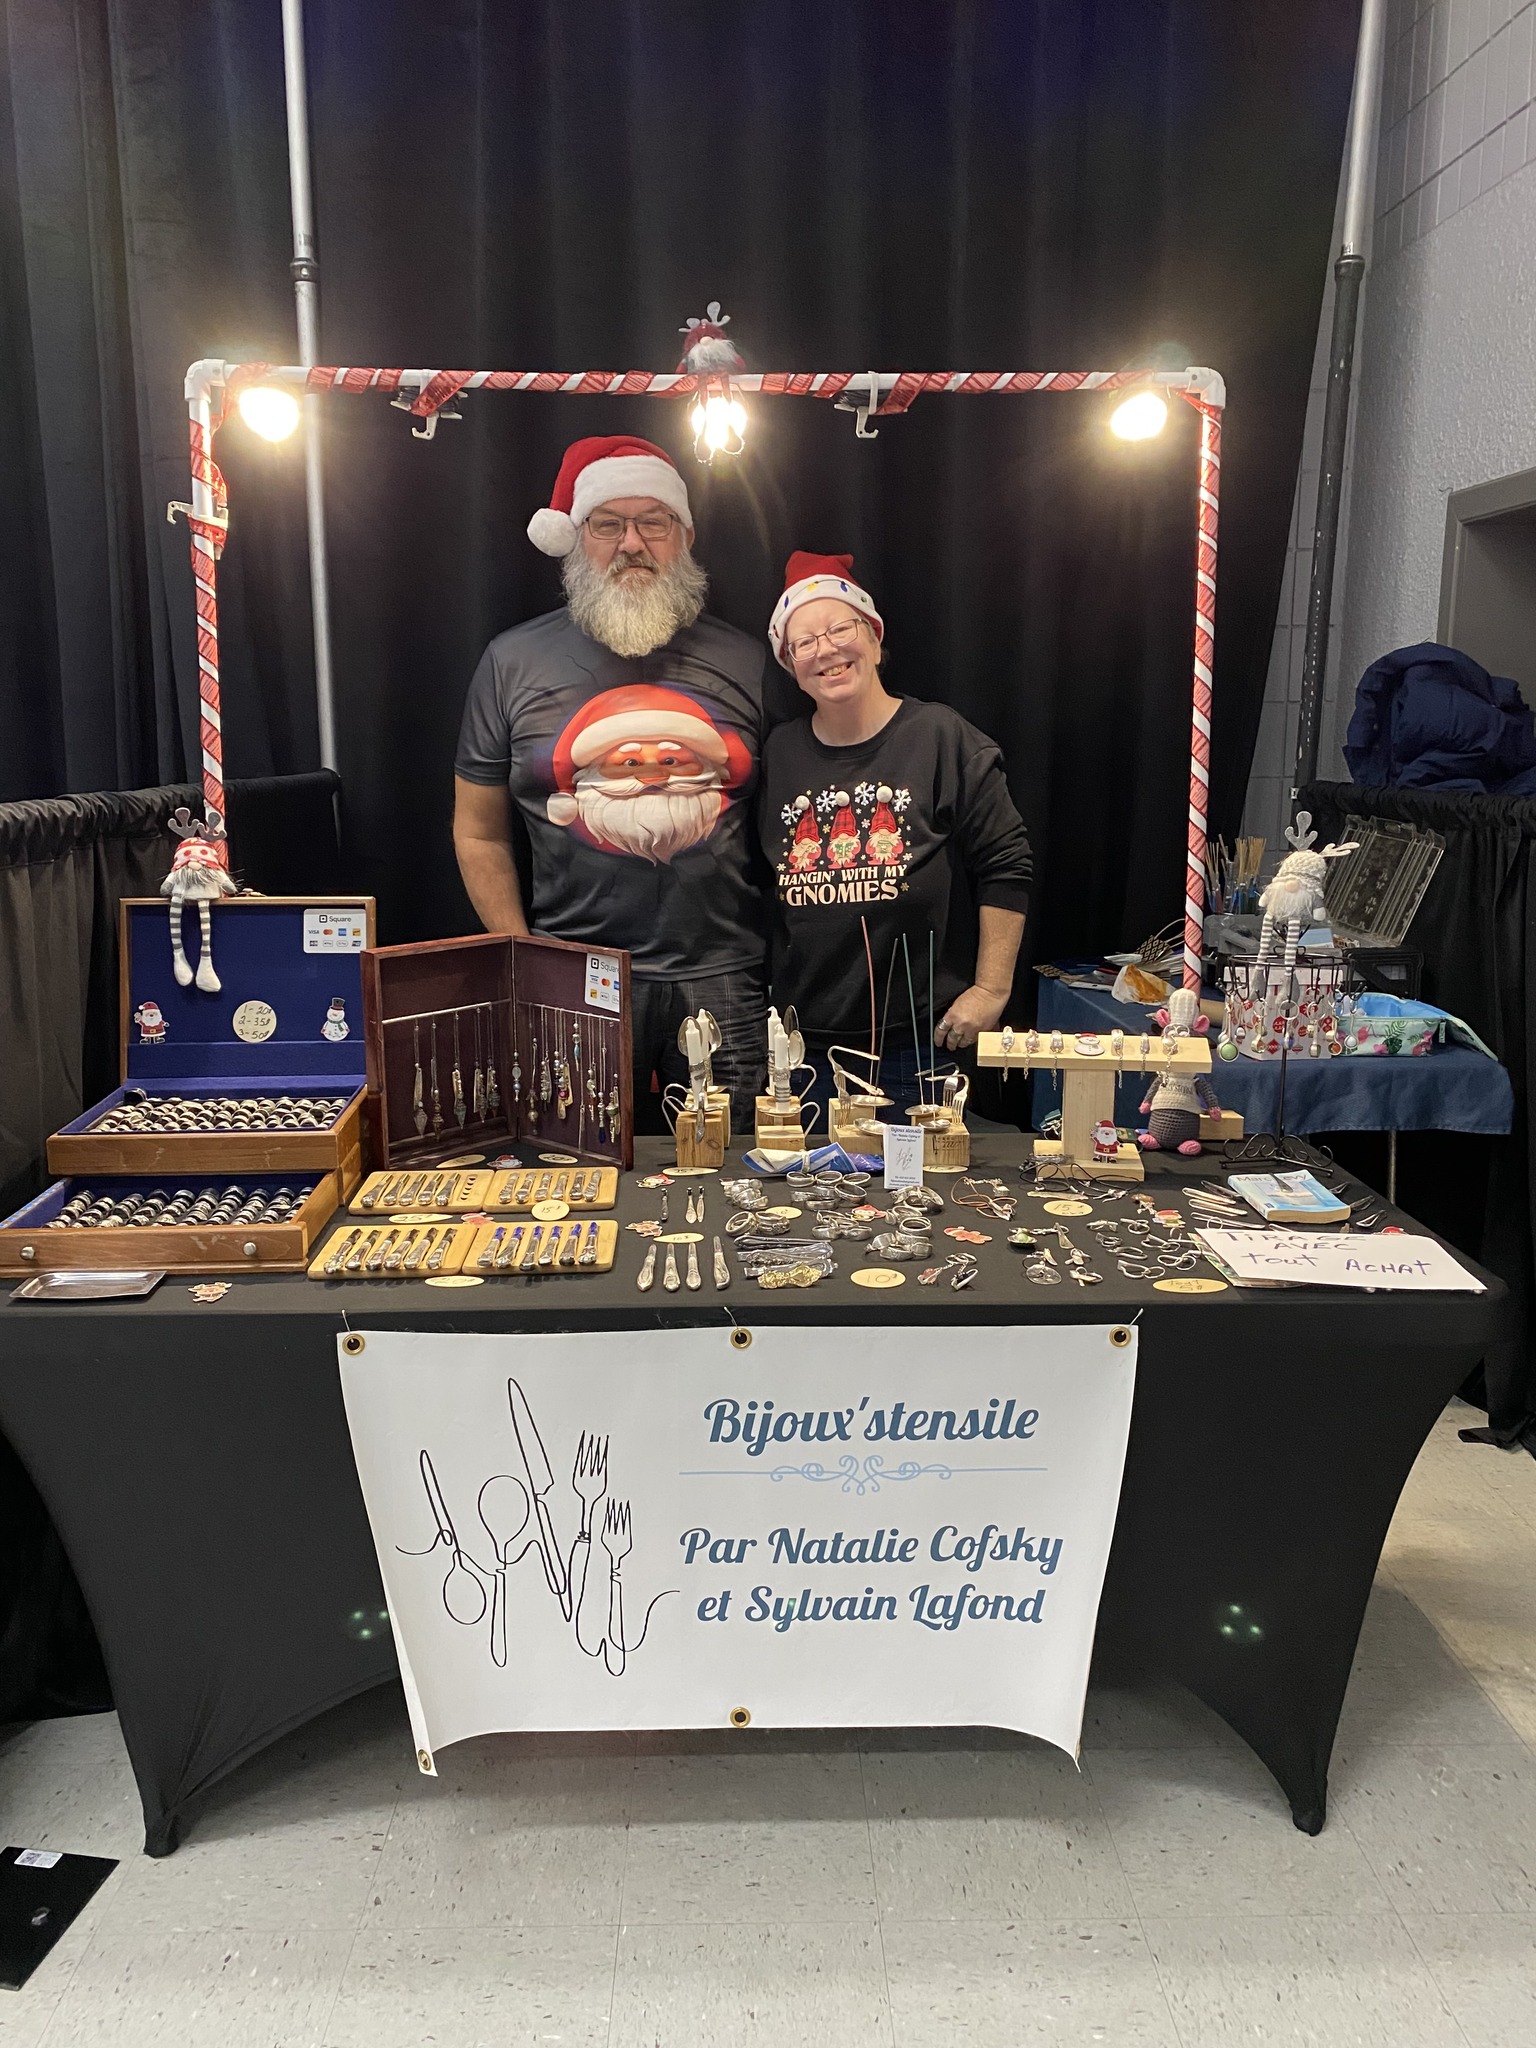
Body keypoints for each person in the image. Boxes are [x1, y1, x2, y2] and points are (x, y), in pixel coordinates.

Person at [454, 435, 780, 1128]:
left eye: (652, 522)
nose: (632, 543)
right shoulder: (511, 662)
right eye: (608, 524)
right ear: (577, 540)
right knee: (575, 1163)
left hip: (725, 976)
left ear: (685, 537)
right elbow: (479, 831)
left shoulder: (748, 661)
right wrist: (522, 954)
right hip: (572, 973)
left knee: (736, 1171)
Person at [758, 552, 1032, 1117]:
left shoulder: (939, 736)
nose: (826, 650)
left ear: (875, 638)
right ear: (789, 664)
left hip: (919, 1046)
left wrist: (992, 990)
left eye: (841, 629)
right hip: (806, 1050)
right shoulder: (777, 753)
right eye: (804, 642)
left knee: (925, 1176)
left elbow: (1006, 864)